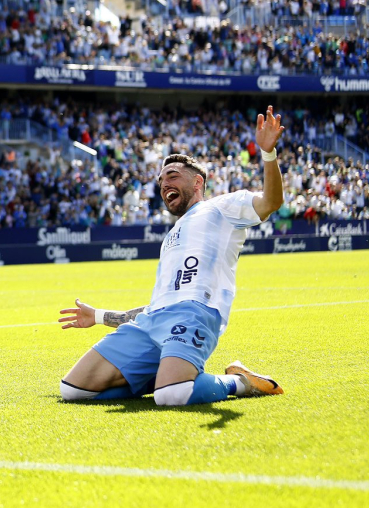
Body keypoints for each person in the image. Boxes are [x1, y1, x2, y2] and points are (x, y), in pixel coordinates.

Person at [57, 106, 288, 406]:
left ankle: (240, 382)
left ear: (197, 183)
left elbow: (272, 201)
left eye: (173, 176)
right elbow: (157, 305)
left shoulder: (222, 208)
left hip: (196, 313)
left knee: (173, 396)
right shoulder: (171, 238)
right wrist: (100, 316)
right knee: (73, 390)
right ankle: (166, 375)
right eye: (162, 180)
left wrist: (268, 153)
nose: (165, 183)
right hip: (151, 323)